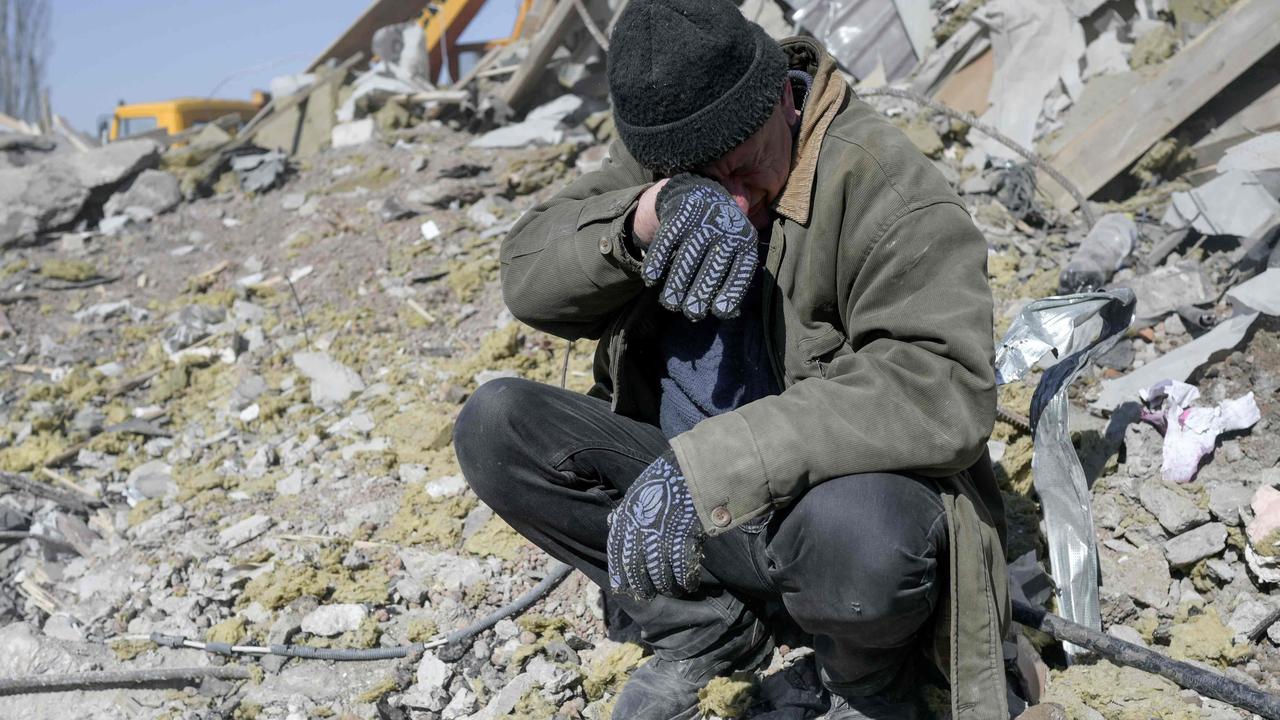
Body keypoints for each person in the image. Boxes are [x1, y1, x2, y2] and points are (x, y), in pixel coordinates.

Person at [453, 1, 1011, 718]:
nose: (737, 205)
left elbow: (945, 388)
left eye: (747, 170)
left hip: (816, 517)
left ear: (782, 94)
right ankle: (710, 632)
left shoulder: (884, 187)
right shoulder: (673, 149)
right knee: (496, 425)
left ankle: (865, 678)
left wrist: (714, 465)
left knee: (864, 538)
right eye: (704, 181)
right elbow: (528, 272)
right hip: (696, 511)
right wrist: (644, 217)